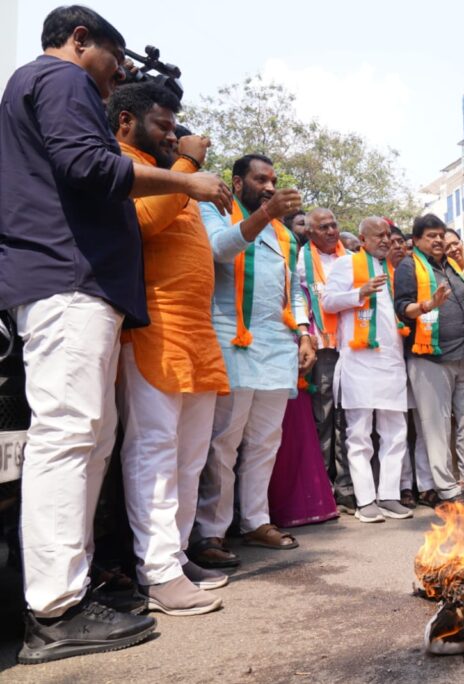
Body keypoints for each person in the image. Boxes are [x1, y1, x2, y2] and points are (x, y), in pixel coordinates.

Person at [0, 6, 232, 663]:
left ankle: (66, 597)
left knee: (86, 437)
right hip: (67, 281)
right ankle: (53, 609)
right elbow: (91, 169)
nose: (116, 80)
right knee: (71, 435)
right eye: (113, 60)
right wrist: (187, 178)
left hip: (72, 284)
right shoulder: (58, 78)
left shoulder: (34, 87)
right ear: (79, 40)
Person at [108, 83, 229, 616]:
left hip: (196, 332)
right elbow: (141, 223)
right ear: (126, 121)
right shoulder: (121, 161)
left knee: (189, 455)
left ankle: (176, 556)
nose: (173, 134)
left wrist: (183, 171)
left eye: (176, 127)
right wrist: (185, 165)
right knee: (154, 450)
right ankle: (156, 572)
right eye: (163, 125)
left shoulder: (172, 173)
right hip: (154, 326)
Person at [192, 154, 315, 566]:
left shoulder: (284, 234)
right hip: (232, 339)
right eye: (260, 179)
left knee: (265, 441)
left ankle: (256, 521)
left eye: (273, 180)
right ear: (237, 181)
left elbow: (293, 290)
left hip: (277, 345)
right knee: (224, 440)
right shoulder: (215, 209)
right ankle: (210, 531)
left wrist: (303, 332)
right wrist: (265, 212)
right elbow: (219, 250)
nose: (268, 185)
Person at [321, 217, 413, 522]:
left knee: (395, 431)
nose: (386, 240)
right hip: (359, 360)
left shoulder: (393, 270)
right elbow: (329, 302)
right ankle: (365, 501)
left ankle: (389, 495)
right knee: (359, 433)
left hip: (390, 361)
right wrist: (360, 292)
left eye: (388, 235)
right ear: (362, 239)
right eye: (379, 236)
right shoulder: (347, 265)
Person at [394, 214, 464, 504]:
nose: (437, 240)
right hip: (430, 357)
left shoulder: (450, 265)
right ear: (416, 240)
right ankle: (447, 489)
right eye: (430, 235)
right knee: (437, 426)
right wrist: (428, 305)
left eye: (440, 235)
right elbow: (402, 307)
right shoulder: (409, 266)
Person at [295, 208, 355, 510]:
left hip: (354, 348)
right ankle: (324, 489)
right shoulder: (300, 263)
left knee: (348, 418)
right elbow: (298, 302)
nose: (332, 231)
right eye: (324, 227)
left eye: (334, 225)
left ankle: (347, 487)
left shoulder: (352, 260)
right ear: (310, 232)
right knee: (324, 419)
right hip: (323, 349)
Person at [388, 224, 437, 506]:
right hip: (386, 363)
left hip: (419, 355)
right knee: (397, 427)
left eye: (402, 243)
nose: (397, 247)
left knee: (421, 424)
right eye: (392, 242)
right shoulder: (374, 276)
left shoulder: (420, 275)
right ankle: (403, 486)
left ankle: (426, 485)